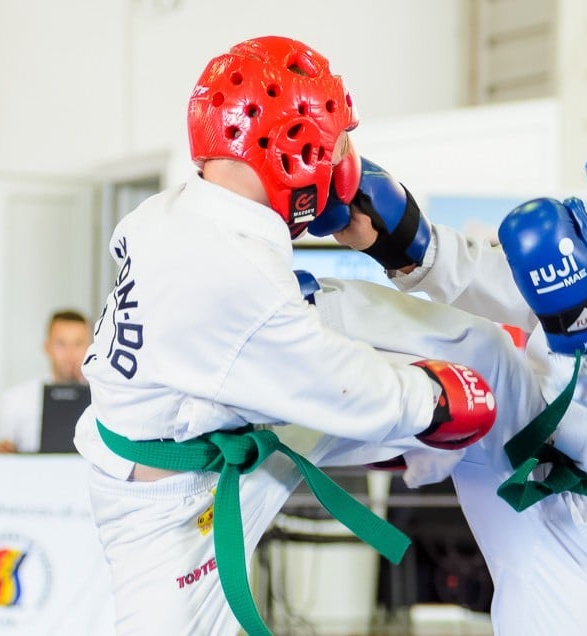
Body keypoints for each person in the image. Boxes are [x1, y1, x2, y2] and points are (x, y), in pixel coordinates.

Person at [72, 36, 505, 636]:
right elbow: (348, 388)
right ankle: (432, 447)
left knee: (411, 407)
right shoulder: (242, 283)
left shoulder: (166, 213)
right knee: (430, 408)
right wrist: (432, 399)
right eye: (335, 145)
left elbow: (261, 323)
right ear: (293, 152)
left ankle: (429, 455)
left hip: (195, 427)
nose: (344, 160)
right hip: (173, 505)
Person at [312, 108, 587, 635]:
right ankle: (306, 316)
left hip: (580, 528)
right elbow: (480, 276)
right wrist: (398, 235)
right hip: (519, 444)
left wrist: (570, 312)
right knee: (481, 347)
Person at [0, 309, 90, 453]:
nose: (70, 353)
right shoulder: (15, 399)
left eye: (78, 344)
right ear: (47, 347)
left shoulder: (105, 398)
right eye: (61, 344)